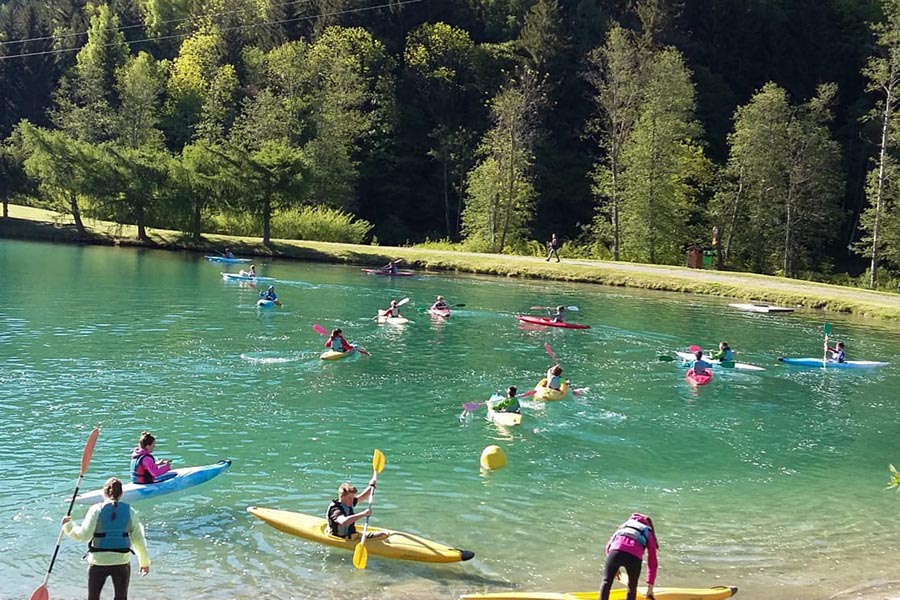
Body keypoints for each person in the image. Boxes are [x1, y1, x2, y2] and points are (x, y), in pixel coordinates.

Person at [62, 477, 151, 600]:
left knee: (93, 597)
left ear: (104, 493)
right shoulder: (130, 511)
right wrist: (144, 563)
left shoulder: (95, 510)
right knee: (121, 597)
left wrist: (68, 525)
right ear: (121, 494)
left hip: (98, 562)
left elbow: (83, 535)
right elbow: (139, 540)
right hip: (121, 562)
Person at [598, 512, 659, 600]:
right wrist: (650, 587)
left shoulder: (625, 525)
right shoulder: (647, 531)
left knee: (606, 582)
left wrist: (615, 567)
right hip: (634, 558)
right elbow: (652, 562)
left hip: (615, 552)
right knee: (632, 587)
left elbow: (608, 547)